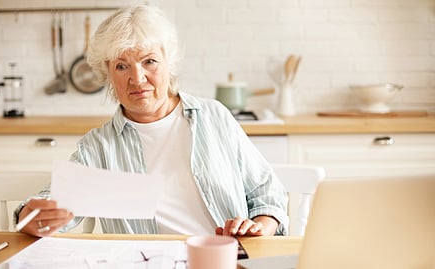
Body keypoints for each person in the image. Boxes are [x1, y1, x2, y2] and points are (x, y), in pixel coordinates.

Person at [14, 4, 288, 237]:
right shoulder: (98, 147)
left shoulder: (213, 117)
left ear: (169, 62)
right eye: (122, 66)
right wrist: (32, 215)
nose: (137, 78)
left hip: (223, 258)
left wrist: (259, 227)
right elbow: (49, 206)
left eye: (149, 61)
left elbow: (268, 193)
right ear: (107, 73)